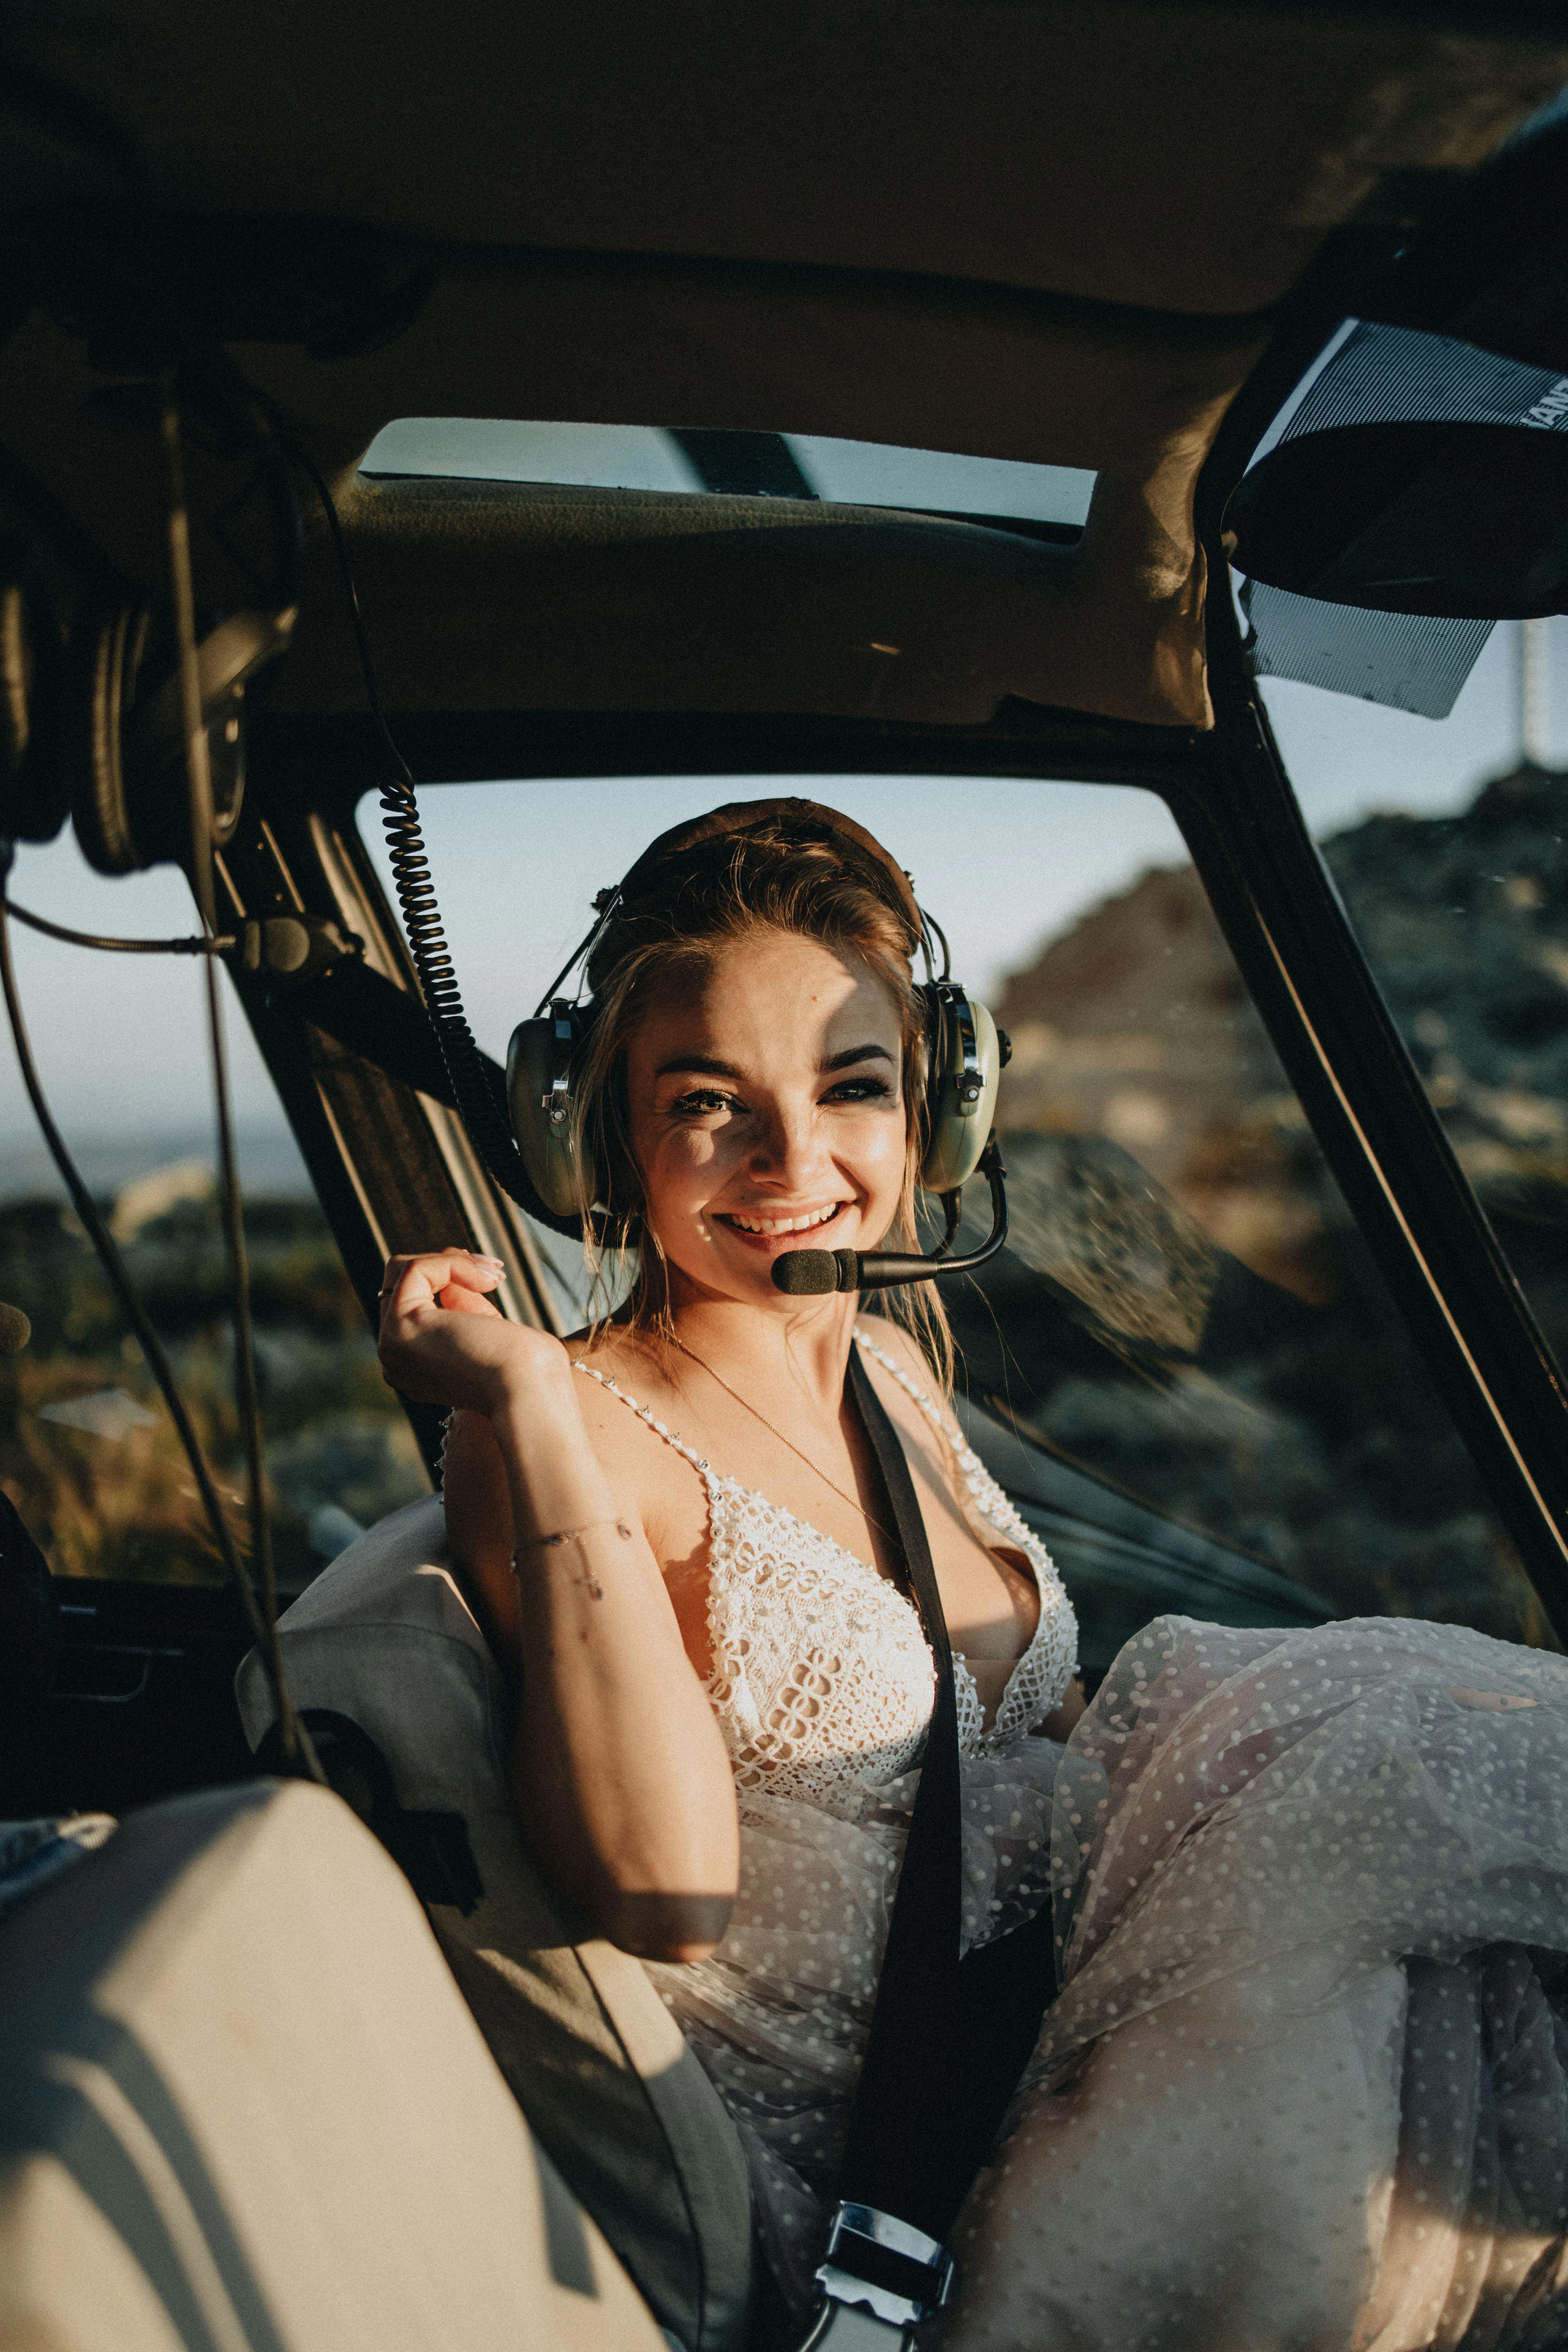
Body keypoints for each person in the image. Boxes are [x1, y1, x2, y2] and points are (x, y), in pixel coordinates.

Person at [378, 802, 1568, 2351]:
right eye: (706, 1102)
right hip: (926, 2157)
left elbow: (1034, 1731)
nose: (794, 1160)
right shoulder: (570, 1434)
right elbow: (660, 1892)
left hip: (1081, 1993)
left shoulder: (886, 1369)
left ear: (935, 1109)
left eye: (852, 1087)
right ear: (599, 1128)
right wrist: (525, 1402)